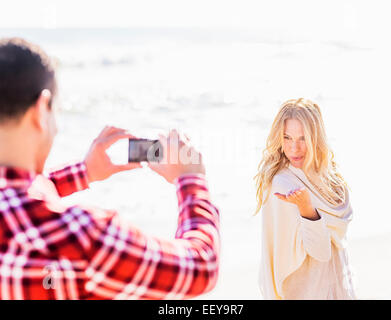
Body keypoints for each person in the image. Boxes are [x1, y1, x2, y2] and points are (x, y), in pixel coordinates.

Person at [0, 37, 220, 300]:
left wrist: (85, 171)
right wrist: (191, 181)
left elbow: (16, 202)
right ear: (40, 111)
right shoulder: (80, 237)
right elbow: (201, 267)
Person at [254, 98, 355, 300]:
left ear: (315, 138)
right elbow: (320, 251)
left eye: (302, 138)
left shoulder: (331, 178)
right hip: (308, 293)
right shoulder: (282, 183)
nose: (294, 148)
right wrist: (307, 209)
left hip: (341, 287)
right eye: (287, 138)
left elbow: (340, 239)